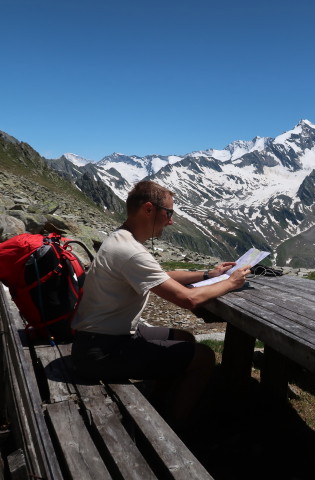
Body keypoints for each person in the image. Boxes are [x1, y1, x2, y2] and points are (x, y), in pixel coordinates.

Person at [71, 180, 251, 427]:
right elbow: (188, 299)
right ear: (148, 209)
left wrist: (209, 274)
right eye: (169, 213)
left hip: (101, 336)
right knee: (204, 357)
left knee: (185, 338)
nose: (171, 220)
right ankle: (177, 427)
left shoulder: (122, 239)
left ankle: (163, 398)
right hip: (102, 350)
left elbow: (161, 276)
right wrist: (231, 282)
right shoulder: (130, 252)